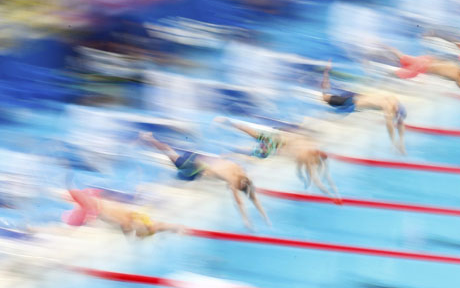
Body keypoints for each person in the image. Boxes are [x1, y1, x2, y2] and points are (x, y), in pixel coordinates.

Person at [139, 132, 270, 229]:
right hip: (193, 166)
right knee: (172, 159)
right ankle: (148, 138)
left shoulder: (240, 171)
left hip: (198, 159)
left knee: (170, 154)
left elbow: (253, 198)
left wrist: (266, 219)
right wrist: (246, 221)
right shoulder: (233, 182)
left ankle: (149, 139)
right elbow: (240, 202)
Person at [213, 117, 342, 204]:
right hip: (273, 144)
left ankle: (228, 128)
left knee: (249, 137)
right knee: (250, 146)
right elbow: (318, 179)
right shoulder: (307, 158)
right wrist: (333, 196)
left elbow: (318, 177)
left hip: (274, 141)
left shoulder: (309, 153)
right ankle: (230, 146)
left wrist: (334, 195)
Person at [321, 62, 406, 154]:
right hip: (351, 103)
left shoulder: (393, 100)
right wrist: (393, 143)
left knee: (326, 99)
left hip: (354, 99)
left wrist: (400, 141)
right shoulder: (389, 107)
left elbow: (399, 122)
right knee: (326, 102)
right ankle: (326, 73)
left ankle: (326, 73)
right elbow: (390, 125)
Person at [382, 45, 460, 113]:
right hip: (422, 67)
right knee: (399, 75)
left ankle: (387, 47)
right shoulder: (459, 79)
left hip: (426, 59)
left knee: (401, 57)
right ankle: (383, 75)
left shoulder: (459, 66)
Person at [63, 187, 183, 239]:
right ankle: (175, 228)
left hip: (134, 219)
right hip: (134, 218)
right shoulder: (94, 203)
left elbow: (125, 224)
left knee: (155, 226)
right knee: (156, 226)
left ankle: (175, 228)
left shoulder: (95, 206)